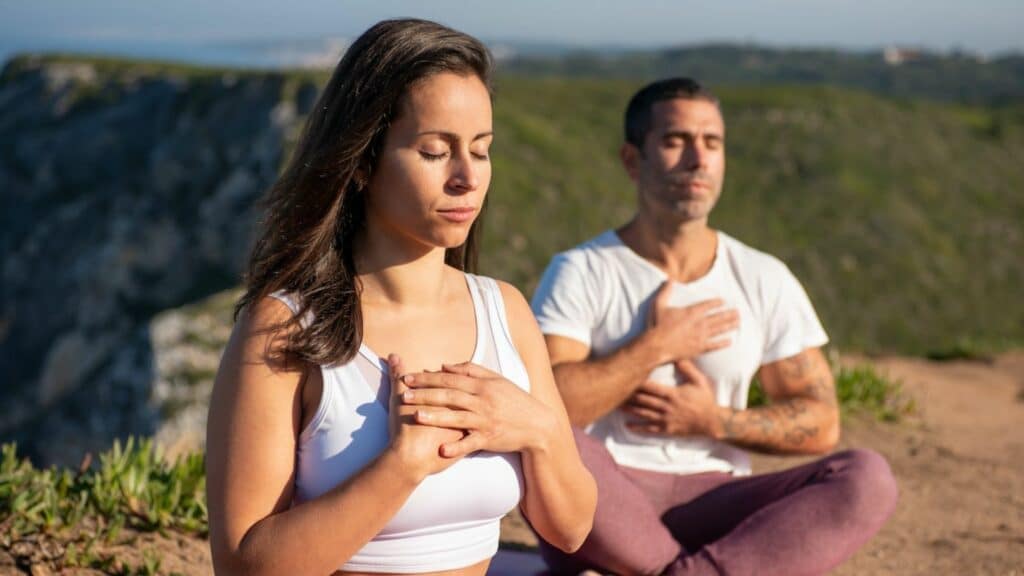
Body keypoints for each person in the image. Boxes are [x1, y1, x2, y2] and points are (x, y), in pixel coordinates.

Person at [205, 19, 596, 576]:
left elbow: (572, 527)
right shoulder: (287, 326)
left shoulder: (504, 310)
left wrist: (538, 429)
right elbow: (243, 566)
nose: (467, 177)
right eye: (436, 151)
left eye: (481, 151)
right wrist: (401, 465)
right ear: (362, 161)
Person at [530, 77, 898, 575]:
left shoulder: (763, 277)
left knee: (866, 477)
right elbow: (549, 408)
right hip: (606, 495)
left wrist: (711, 421)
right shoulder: (582, 270)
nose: (698, 159)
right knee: (552, 446)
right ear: (632, 160)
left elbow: (821, 421)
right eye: (675, 141)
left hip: (715, 498)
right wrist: (654, 347)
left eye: (712, 143)